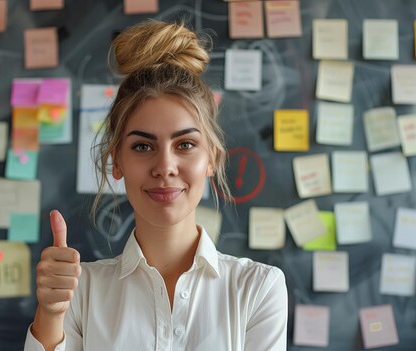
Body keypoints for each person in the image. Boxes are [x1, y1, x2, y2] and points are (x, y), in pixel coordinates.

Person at [24, 19, 287, 351]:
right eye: (143, 146)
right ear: (116, 162)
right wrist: (49, 313)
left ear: (212, 160)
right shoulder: (79, 291)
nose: (164, 167)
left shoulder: (257, 288)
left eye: (185, 145)